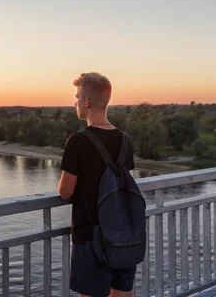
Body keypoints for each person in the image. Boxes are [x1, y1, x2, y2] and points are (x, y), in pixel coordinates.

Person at [57, 72, 136, 297]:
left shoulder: (78, 141)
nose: (75, 102)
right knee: (122, 293)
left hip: (90, 234)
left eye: (77, 97)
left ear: (87, 102)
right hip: (123, 231)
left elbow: (65, 192)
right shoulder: (125, 140)